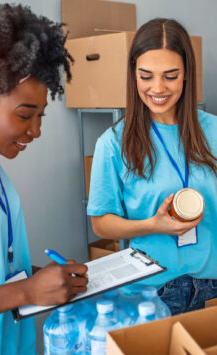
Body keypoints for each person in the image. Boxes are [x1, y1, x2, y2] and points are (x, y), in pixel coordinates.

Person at [0, 2, 88, 354]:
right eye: (25, 115)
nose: (36, 130)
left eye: (40, 115)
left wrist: (45, 278)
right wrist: (27, 292)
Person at [87, 18, 217, 315]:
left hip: (213, 284)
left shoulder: (214, 132)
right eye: (146, 76)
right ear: (133, 75)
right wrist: (153, 225)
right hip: (150, 292)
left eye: (171, 76)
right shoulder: (112, 143)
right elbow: (100, 222)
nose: (157, 88)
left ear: (187, 75)